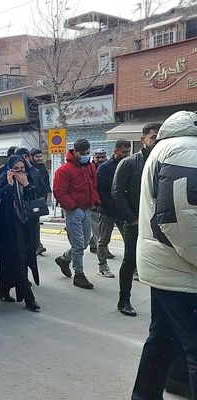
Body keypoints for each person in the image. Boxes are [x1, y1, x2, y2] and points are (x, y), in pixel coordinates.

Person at [131, 111, 197, 399]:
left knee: (163, 341)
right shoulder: (183, 149)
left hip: (168, 266)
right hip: (180, 269)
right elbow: (179, 220)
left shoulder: (174, 147)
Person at [112, 123, 161, 317]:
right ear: (143, 140)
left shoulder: (166, 161)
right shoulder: (130, 163)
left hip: (159, 223)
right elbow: (117, 193)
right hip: (135, 222)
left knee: (159, 264)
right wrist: (132, 219)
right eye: (154, 137)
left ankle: (161, 306)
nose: (158, 141)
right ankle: (124, 299)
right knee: (130, 261)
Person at [0, 155, 42, 311]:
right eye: (16, 169)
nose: (20, 172)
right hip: (8, 228)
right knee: (15, 260)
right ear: (9, 169)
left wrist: (26, 184)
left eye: (22, 169)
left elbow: (37, 197)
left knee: (21, 260)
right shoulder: (2, 180)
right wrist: (9, 186)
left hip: (26, 226)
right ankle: (28, 298)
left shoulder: (28, 179)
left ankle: (4, 290)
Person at [53, 138, 100, 289]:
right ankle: (79, 274)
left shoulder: (90, 167)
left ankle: (65, 259)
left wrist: (95, 202)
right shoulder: (64, 170)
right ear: (76, 152)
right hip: (74, 210)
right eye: (83, 153)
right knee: (79, 244)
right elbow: (59, 191)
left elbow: (93, 185)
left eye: (88, 153)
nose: (86, 155)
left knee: (85, 241)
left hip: (86, 208)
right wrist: (72, 206)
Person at [95, 140, 132, 280]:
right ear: (115, 151)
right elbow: (101, 192)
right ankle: (102, 266)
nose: (126, 154)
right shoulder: (104, 168)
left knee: (129, 240)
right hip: (107, 210)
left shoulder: (129, 165)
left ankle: (131, 268)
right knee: (104, 240)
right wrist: (113, 206)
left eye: (128, 152)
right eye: (124, 152)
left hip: (124, 211)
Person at [15, 147, 49, 255]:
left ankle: (35, 246)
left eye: (26, 157)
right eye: (22, 157)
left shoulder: (35, 171)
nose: (25, 160)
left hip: (33, 205)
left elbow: (42, 187)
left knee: (34, 227)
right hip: (19, 208)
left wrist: (40, 199)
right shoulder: (11, 172)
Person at [89, 148, 108, 253]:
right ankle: (102, 251)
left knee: (100, 227)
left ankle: (93, 244)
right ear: (93, 157)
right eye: (98, 157)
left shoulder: (107, 167)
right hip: (94, 203)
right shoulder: (89, 168)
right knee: (98, 227)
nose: (100, 159)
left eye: (103, 157)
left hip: (105, 201)